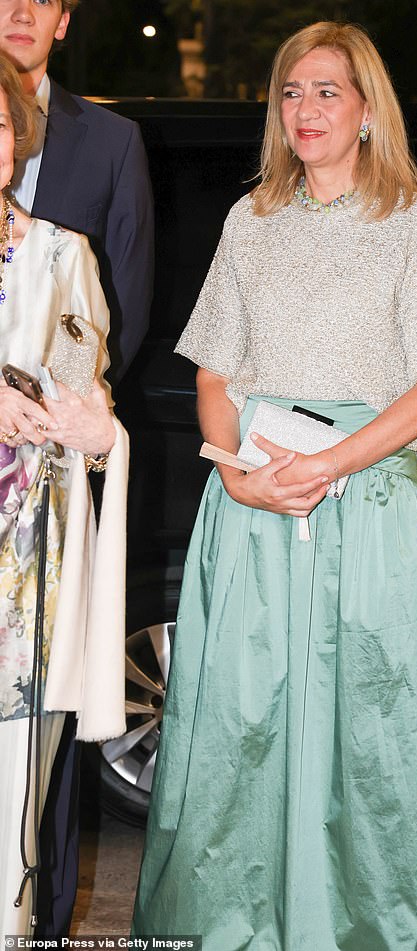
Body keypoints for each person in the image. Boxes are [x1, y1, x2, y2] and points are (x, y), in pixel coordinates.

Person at [133, 21, 417, 950]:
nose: (306, 108)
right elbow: (213, 373)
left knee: (365, 738)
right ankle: (226, 928)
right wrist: (240, 475)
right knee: (239, 733)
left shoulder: (415, 221)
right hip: (253, 507)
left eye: (328, 90)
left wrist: (326, 464)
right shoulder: (251, 221)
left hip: (364, 511)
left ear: (368, 110)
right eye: (292, 91)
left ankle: (363, 930)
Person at [0, 1, 154, 934]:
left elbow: (112, 322)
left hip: (34, 518)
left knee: (30, 761)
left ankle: (35, 922)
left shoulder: (104, 158)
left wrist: (69, 422)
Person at [0, 0, 154, 383]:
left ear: (63, 22)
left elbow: (126, 305)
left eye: (42, 0)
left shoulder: (113, 141)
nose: (23, 13)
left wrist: (66, 414)